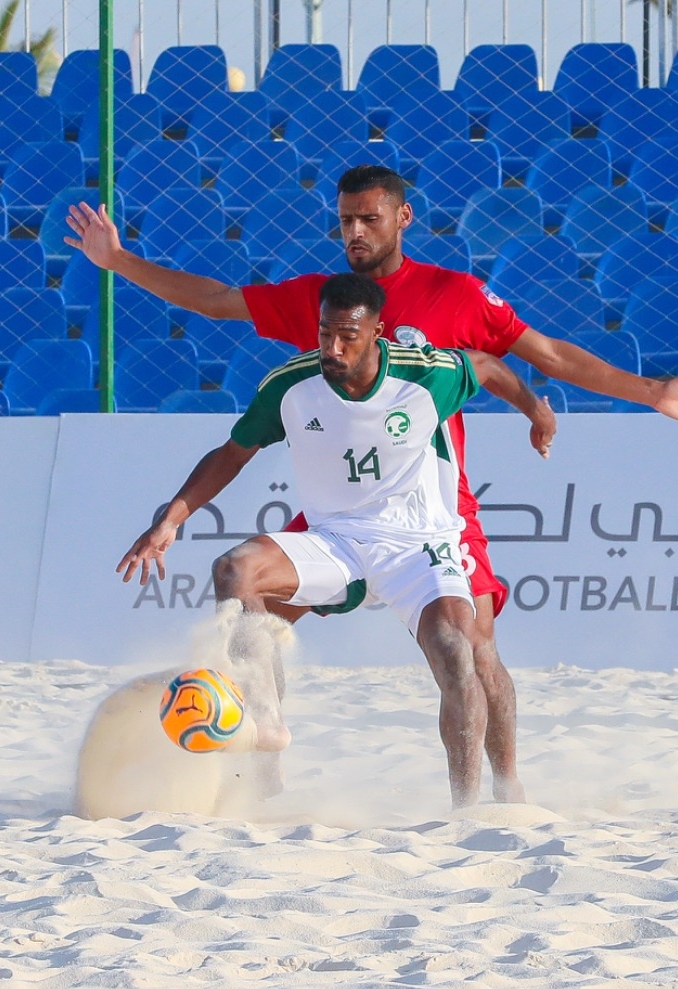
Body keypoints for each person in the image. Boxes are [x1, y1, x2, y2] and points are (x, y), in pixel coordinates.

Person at [70, 164, 678, 803]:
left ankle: (504, 789)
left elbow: (544, 356)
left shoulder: (455, 295)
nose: (354, 233)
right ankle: (263, 772)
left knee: (474, 651)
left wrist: (648, 392)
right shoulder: (321, 301)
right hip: (338, 514)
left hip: (433, 509)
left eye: (368, 219)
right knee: (252, 614)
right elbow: (215, 302)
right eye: (345, 221)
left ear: (403, 217)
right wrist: (118, 261)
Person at [120, 274, 502, 806]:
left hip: (417, 542)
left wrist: (534, 408)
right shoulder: (292, 385)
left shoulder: (423, 373)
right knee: (234, 570)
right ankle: (266, 730)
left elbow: (489, 365)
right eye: (325, 333)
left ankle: (467, 809)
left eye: (347, 336)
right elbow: (231, 454)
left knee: (457, 652)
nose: (333, 348)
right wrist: (171, 520)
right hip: (335, 540)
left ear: (376, 333)